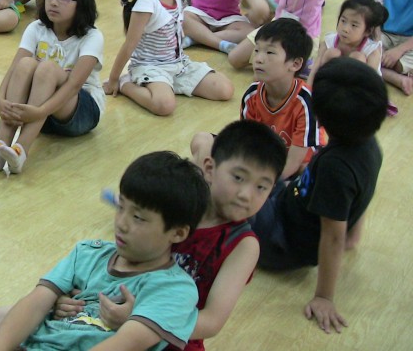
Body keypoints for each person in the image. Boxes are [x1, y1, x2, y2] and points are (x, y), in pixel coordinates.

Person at [0, 151, 207, 351]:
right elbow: (35, 302)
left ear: (177, 233)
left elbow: (126, 344)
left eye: (138, 217)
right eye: (121, 207)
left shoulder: (175, 289)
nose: (121, 223)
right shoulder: (88, 252)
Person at [53, 121, 287, 351]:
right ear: (209, 169)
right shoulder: (177, 198)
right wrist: (75, 298)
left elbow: (212, 322)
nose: (246, 195)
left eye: (261, 187)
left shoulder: (243, 246)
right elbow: (115, 261)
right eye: (238, 178)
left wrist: (140, 321)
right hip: (112, 316)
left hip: (170, 339)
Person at [250, 58, 387, 334]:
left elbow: (333, 236)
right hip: (288, 203)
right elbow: (363, 193)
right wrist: (354, 235)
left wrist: (324, 296)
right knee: (259, 171)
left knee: (228, 188)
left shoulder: (336, 168)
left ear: (321, 119)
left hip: (282, 241)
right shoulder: (367, 143)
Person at [0, 0, 103, 174]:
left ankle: (21, 150)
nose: (54, 2)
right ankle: (0, 148)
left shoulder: (92, 36)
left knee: (47, 68)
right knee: (25, 64)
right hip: (37, 115)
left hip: (79, 113)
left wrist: (41, 111)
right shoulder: (36, 28)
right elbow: (14, 68)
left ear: (82, 3)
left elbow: (74, 85)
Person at [191, 19, 322, 181]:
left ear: (295, 64)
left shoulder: (306, 101)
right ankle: (205, 186)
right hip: (262, 159)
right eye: (257, 50)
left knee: (310, 172)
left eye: (270, 52)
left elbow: (294, 162)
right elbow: (248, 143)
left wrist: (258, 185)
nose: (258, 59)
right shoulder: (252, 94)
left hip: (293, 165)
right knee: (202, 140)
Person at [104, 0, 233, 117]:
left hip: (179, 64)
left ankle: (168, 86)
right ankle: (126, 83)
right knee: (164, 106)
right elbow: (129, 45)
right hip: (150, 67)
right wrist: (113, 79)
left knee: (224, 89)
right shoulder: (146, 3)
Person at [307, 0, 387, 86]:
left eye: (354, 25)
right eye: (343, 21)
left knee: (358, 58)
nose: (345, 29)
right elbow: (315, 69)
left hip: (359, 88)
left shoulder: (371, 51)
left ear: (367, 31)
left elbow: (371, 82)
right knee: (332, 53)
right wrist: (308, 91)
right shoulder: (329, 41)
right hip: (331, 85)